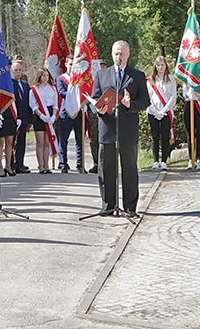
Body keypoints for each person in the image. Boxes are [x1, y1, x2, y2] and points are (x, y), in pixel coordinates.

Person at [92, 41, 150, 216]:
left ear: (128, 55)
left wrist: (130, 104)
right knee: (106, 170)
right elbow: (94, 99)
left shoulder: (137, 76)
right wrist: (98, 109)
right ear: (112, 54)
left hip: (127, 130)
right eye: (116, 54)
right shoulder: (102, 75)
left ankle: (130, 207)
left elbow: (145, 101)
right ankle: (108, 205)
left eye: (122, 54)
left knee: (129, 170)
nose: (118, 57)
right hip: (107, 129)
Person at [56, 55, 86, 173]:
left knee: (80, 140)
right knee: (63, 139)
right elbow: (61, 92)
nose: (72, 67)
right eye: (70, 64)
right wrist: (74, 95)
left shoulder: (80, 79)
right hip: (66, 112)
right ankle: (63, 163)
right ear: (66, 65)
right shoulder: (61, 78)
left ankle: (80, 165)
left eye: (74, 65)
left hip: (79, 111)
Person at [146, 56, 176, 170]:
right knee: (155, 137)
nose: (160, 67)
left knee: (165, 136)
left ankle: (164, 161)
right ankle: (155, 161)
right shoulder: (150, 80)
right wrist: (155, 111)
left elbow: (173, 97)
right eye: (158, 65)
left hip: (166, 112)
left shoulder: (171, 79)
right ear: (155, 66)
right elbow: (148, 97)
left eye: (162, 65)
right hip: (152, 111)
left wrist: (163, 111)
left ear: (166, 66)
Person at [29, 68, 57, 174]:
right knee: (40, 143)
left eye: (47, 75)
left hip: (49, 114)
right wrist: (41, 116)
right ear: (39, 76)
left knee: (47, 142)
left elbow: (55, 104)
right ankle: (40, 166)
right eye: (43, 75)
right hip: (39, 115)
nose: (45, 78)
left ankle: (46, 165)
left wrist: (53, 116)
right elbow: (33, 105)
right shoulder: (34, 89)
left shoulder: (52, 89)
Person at [11, 60, 32, 174]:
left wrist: (29, 119)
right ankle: (10, 164)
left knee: (21, 143)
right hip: (12, 118)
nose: (18, 72)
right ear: (11, 70)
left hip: (23, 119)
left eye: (20, 70)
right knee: (11, 143)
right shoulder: (8, 84)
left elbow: (28, 103)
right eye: (16, 70)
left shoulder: (25, 85)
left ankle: (20, 163)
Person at [182, 85, 200, 169]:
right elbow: (184, 93)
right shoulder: (187, 79)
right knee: (190, 134)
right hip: (189, 104)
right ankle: (191, 159)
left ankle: (199, 159)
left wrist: (198, 94)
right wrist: (189, 94)